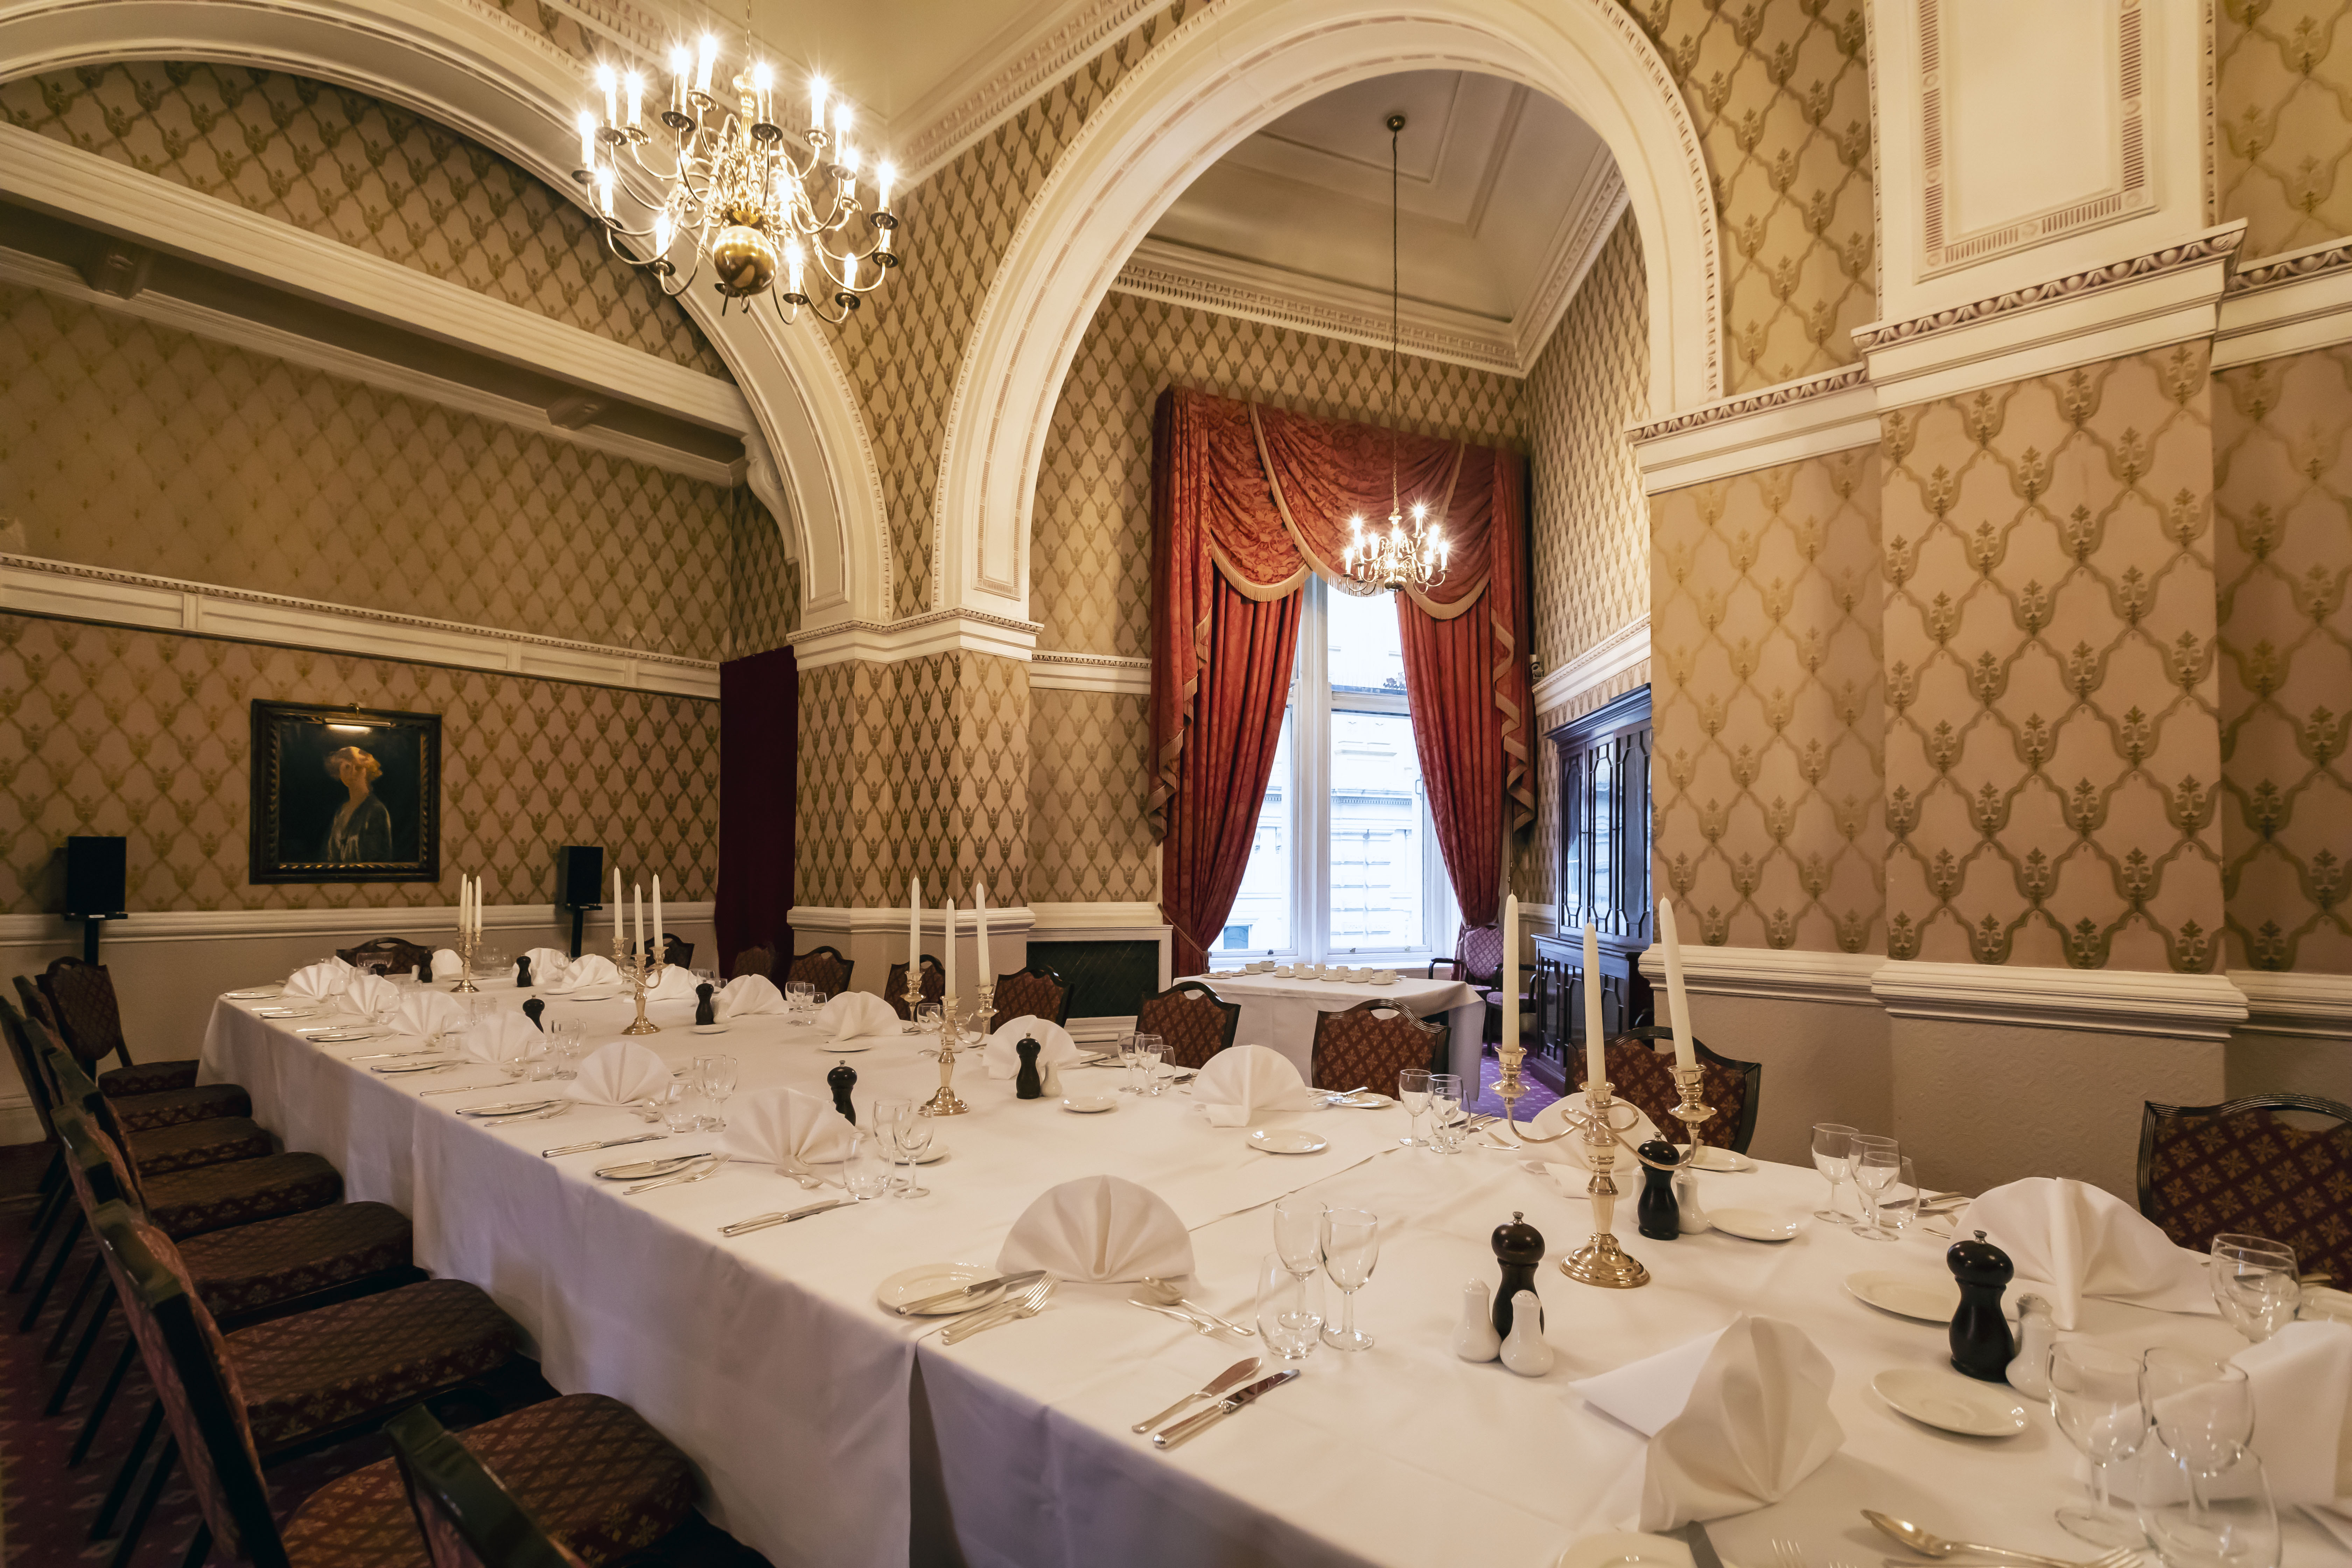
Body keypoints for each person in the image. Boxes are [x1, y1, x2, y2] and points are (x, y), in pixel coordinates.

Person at [322, 744, 396, 863]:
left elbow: (376, 860)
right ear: (339, 772)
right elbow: (331, 855)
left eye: (358, 768)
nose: (352, 773)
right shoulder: (342, 811)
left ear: (367, 771)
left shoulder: (376, 810)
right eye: (347, 767)